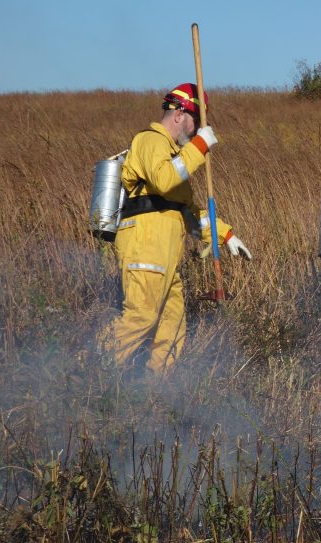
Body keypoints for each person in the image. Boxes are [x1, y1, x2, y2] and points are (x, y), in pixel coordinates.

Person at [107, 83, 252, 374]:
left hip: (166, 255)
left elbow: (188, 211)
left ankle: (153, 392)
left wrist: (225, 234)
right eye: (195, 120)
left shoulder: (173, 155)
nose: (197, 128)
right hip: (146, 244)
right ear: (178, 114)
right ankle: (87, 375)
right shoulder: (151, 140)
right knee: (141, 317)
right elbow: (162, 180)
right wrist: (199, 147)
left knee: (171, 328)